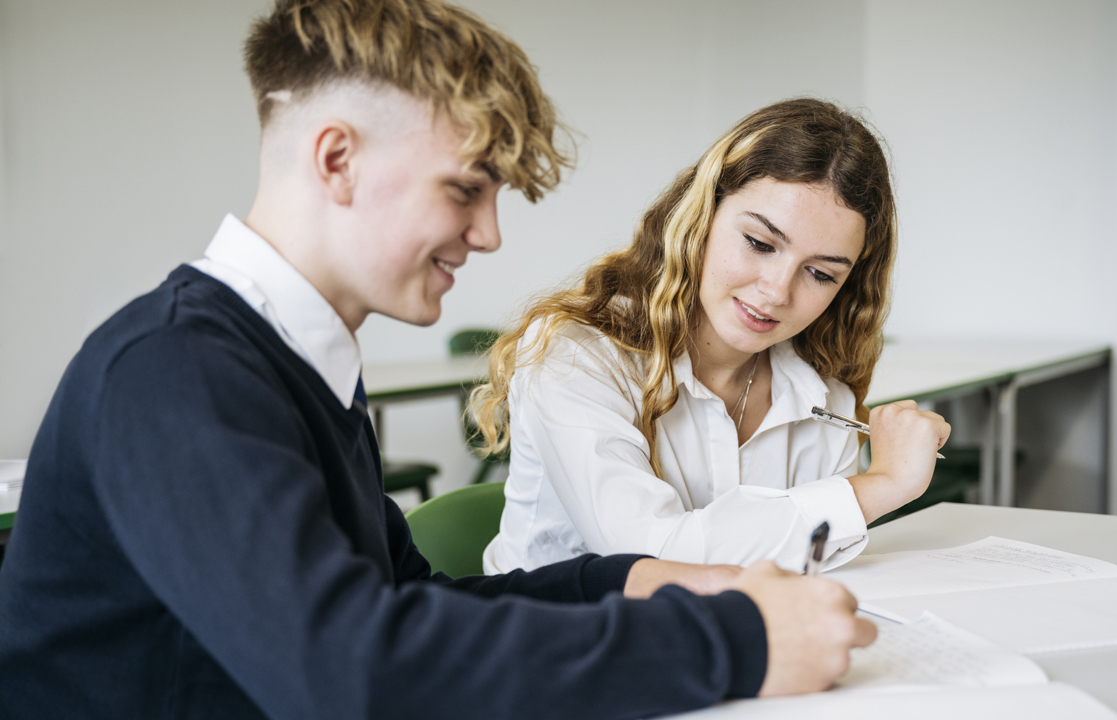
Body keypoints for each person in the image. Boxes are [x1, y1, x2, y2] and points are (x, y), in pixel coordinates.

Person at [0, 2, 879, 718]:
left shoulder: (294, 366)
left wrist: (638, 579)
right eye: (466, 189)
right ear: (336, 158)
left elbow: (412, 601)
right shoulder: (174, 371)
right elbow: (352, 672)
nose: (490, 235)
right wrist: (738, 643)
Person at [474, 99, 952, 576]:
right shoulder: (577, 356)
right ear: (700, 216)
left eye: (821, 274)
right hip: (559, 640)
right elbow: (649, 559)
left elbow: (806, 574)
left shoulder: (825, 401)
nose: (777, 291)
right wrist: (883, 484)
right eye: (760, 244)